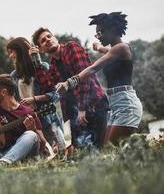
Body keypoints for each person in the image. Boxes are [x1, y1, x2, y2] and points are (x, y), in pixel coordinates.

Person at [57, 12, 142, 145]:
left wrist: (69, 82)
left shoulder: (122, 47)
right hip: (117, 105)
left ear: (112, 30)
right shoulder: (115, 50)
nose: (98, 36)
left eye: (100, 32)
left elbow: (93, 68)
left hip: (126, 105)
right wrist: (100, 48)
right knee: (109, 150)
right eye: (97, 34)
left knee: (110, 150)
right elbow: (108, 52)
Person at [29, 28, 109, 148]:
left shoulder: (71, 47)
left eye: (49, 37)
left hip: (94, 106)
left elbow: (84, 75)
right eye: (43, 41)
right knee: (83, 152)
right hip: (74, 113)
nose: (48, 40)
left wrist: (82, 108)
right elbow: (47, 85)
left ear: (55, 38)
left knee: (99, 148)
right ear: (41, 49)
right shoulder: (53, 65)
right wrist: (36, 60)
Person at [6, 37, 66, 152]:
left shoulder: (42, 67)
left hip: (46, 116)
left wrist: (34, 99)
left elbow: (55, 94)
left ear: (20, 51)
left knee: (60, 150)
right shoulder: (13, 75)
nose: (10, 56)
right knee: (40, 154)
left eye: (12, 52)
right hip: (27, 121)